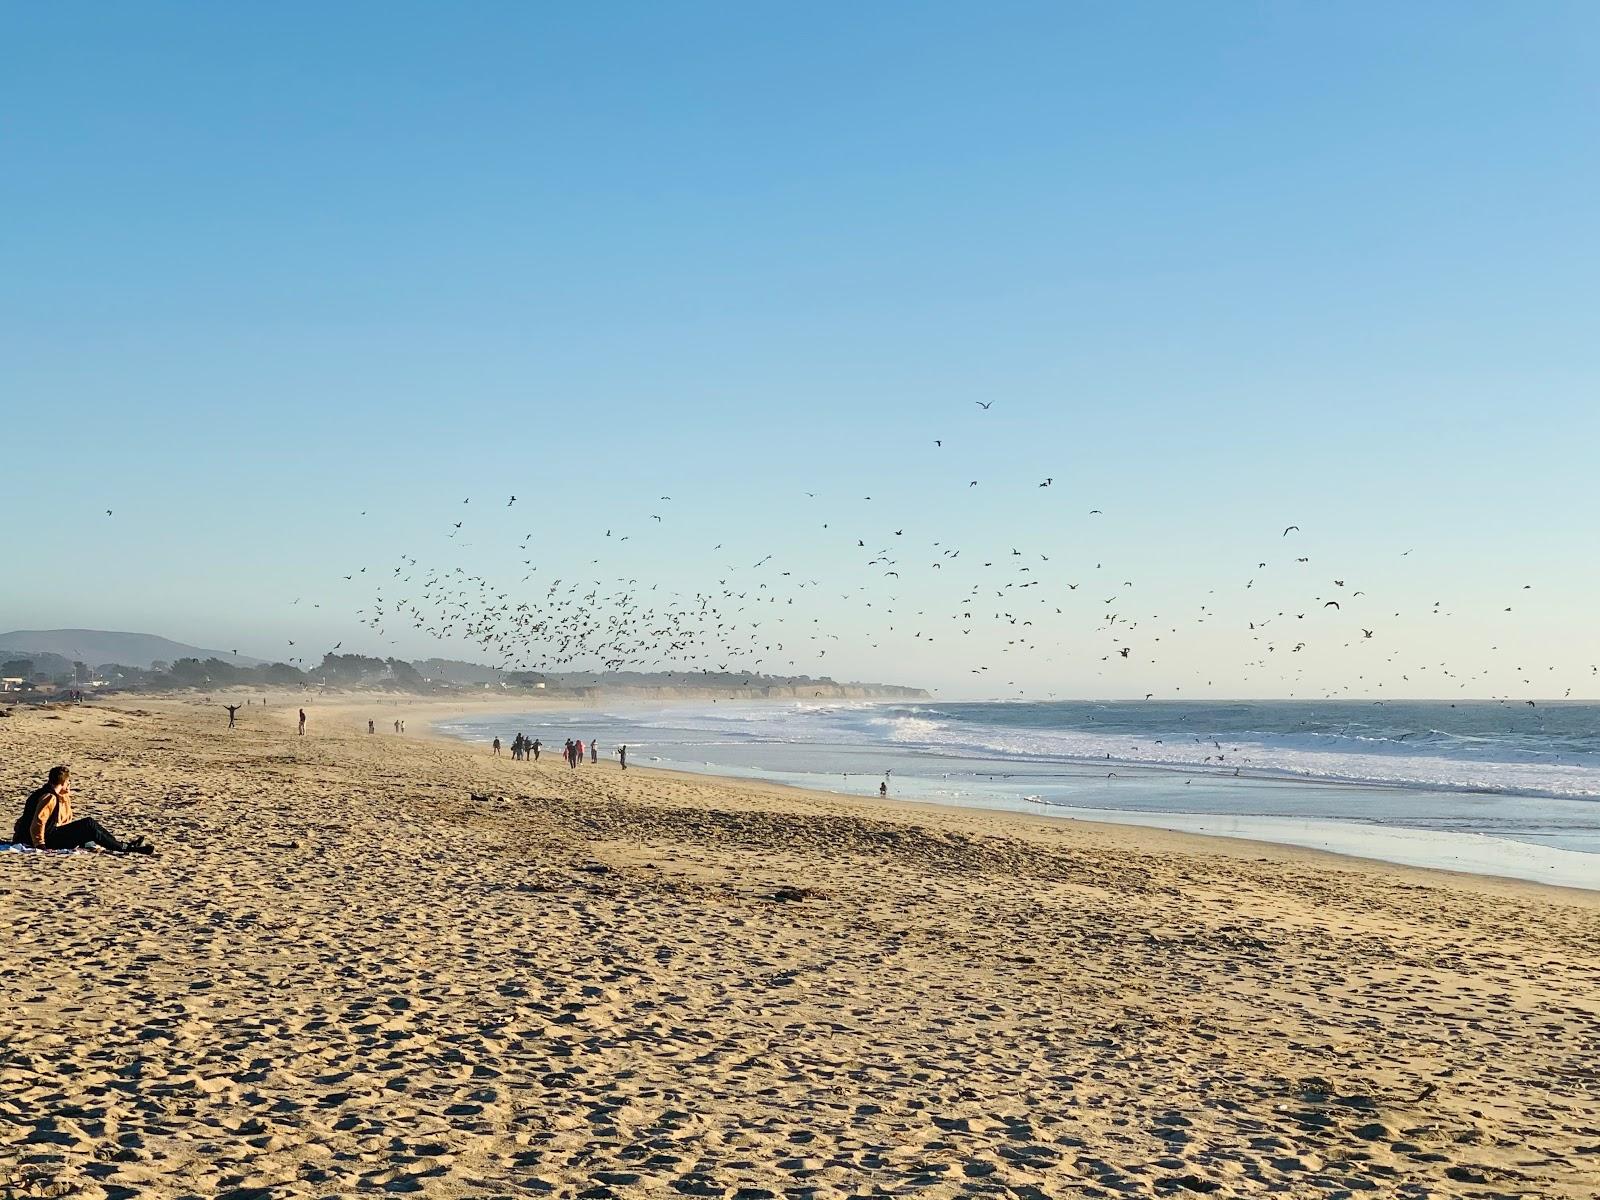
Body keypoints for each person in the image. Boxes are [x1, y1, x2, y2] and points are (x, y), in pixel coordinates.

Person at [13, 766, 152, 854]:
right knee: (88, 824)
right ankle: (125, 848)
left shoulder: (43, 793)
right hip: (45, 839)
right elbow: (38, 822)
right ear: (62, 783)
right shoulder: (50, 797)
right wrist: (40, 845)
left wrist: (65, 793)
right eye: (68, 782)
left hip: (40, 836)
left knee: (89, 831)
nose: (70, 785)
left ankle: (124, 845)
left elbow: (23, 820)